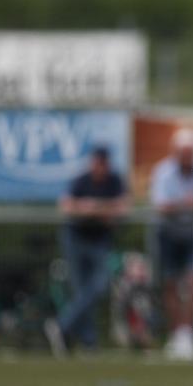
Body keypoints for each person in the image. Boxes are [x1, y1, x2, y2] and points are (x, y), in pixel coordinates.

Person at [44, 146, 129, 356]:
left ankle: (62, 326)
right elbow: (66, 205)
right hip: (76, 239)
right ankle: (89, 342)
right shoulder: (82, 180)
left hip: (99, 241)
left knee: (98, 287)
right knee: (81, 290)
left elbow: (122, 207)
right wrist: (88, 209)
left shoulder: (114, 181)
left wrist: (96, 209)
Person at [150, 127, 193, 359]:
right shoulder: (163, 171)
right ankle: (175, 333)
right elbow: (160, 205)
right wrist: (187, 204)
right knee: (170, 285)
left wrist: (185, 204)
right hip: (168, 234)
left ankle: (186, 333)